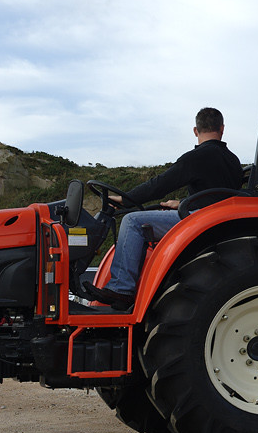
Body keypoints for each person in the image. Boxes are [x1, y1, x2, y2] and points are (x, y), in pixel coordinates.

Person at [88, 107, 243, 310]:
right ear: (222, 129)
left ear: (196, 131)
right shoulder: (234, 161)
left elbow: (159, 185)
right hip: (216, 218)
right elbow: (217, 195)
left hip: (201, 219)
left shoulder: (196, 157)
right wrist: (181, 204)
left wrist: (126, 200)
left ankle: (121, 288)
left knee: (132, 221)